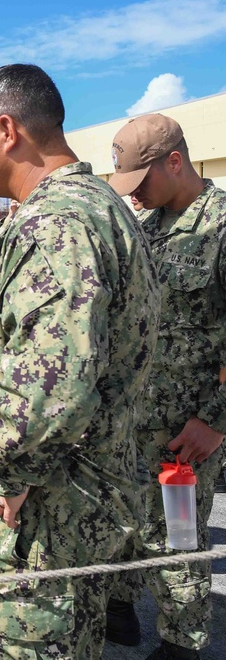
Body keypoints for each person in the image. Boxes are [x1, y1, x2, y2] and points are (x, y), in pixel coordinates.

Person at [0, 64, 159, 659]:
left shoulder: (57, 224)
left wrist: (10, 474)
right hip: (78, 500)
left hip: (41, 517)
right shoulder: (98, 205)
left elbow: (51, 390)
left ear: (7, 129)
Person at [105, 114, 226, 660]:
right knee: (128, 520)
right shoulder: (147, 230)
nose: (135, 196)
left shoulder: (221, 227)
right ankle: (122, 606)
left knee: (179, 537)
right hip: (134, 420)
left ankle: (182, 643)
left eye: (141, 182)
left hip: (188, 430)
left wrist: (217, 419)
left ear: (174, 162)